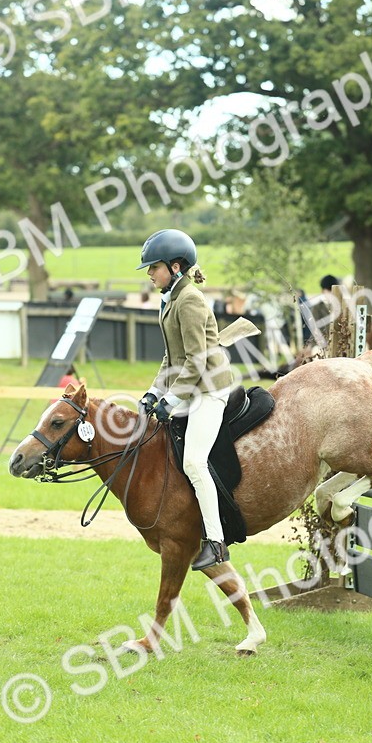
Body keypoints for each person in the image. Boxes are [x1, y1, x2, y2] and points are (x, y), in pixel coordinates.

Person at [137, 228, 236, 571]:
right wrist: (153, 392)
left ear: (175, 267)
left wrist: (171, 401)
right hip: (191, 384)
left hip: (209, 388)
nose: (150, 273)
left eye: (154, 267)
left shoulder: (190, 300)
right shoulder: (171, 300)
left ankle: (216, 542)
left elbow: (195, 360)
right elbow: (172, 359)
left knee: (194, 462)